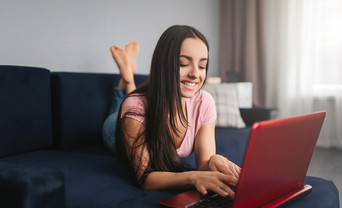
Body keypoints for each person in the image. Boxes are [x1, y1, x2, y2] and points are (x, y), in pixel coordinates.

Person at [103, 25, 241, 198]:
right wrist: (192, 178)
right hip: (115, 127)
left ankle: (128, 78)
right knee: (122, 108)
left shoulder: (204, 103)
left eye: (202, 66)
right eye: (184, 63)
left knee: (134, 102)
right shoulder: (135, 108)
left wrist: (214, 160)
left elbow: (204, 166)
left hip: (141, 108)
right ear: (164, 64)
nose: (195, 74)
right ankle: (126, 78)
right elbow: (145, 178)